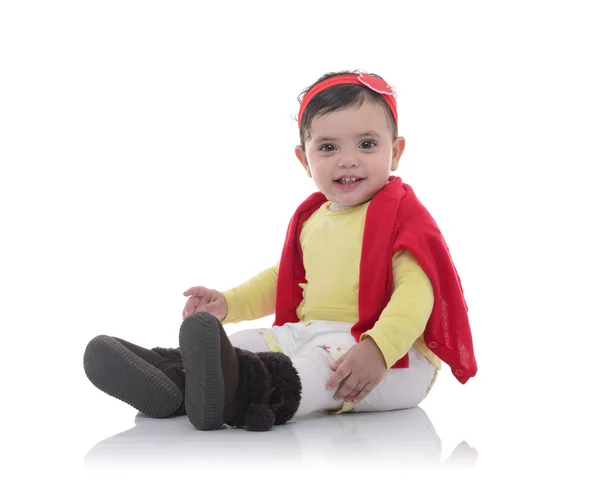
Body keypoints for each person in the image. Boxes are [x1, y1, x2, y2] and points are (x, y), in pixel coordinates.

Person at [84, 70, 477, 432]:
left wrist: (378, 348)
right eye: (328, 147)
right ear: (305, 160)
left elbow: (417, 295)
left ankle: (247, 395)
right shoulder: (313, 218)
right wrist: (227, 304)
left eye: (367, 144)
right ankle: (173, 379)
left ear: (395, 152)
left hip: (391, 358)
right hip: (311, 331)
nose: (348, 159)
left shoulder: (404, 220)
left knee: (320, 366)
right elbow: (282, 279)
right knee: (250, 343)